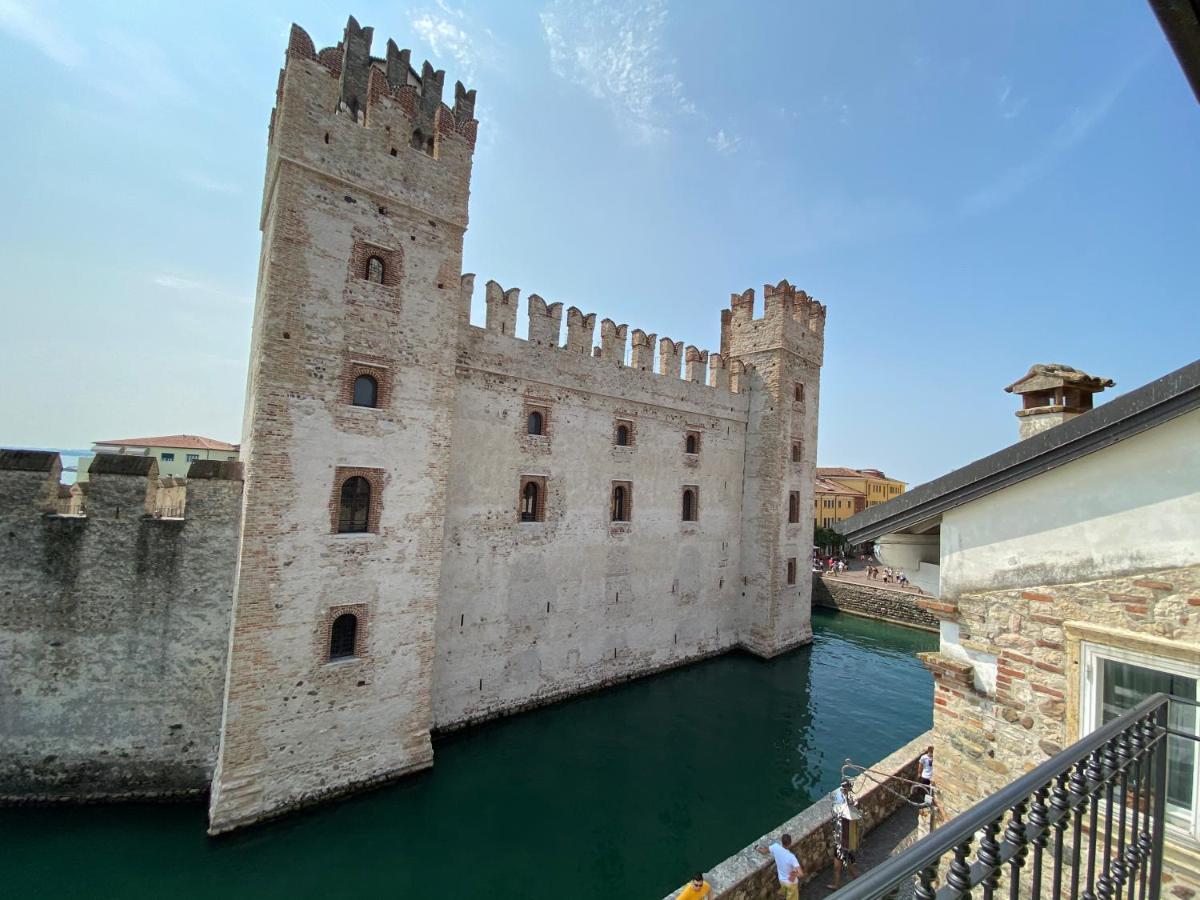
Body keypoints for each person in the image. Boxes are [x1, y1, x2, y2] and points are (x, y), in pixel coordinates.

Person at [829, 780, 862, 889]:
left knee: (849, 867)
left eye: (843, 788)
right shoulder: (842, 802)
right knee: (837, 867)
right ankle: (836, 885)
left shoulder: (850, 804)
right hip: (840, 842)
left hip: (845, 844)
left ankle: (860, 882)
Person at [756, 833, 803, 900]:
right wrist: (794, 874)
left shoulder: (775, 847)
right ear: (790, 843)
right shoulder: (791, 857)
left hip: (781, 880)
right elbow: (801, 874)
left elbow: (764, 851)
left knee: (786, 895)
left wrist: (757, 848)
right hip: (791, 883)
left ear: (782, 841)